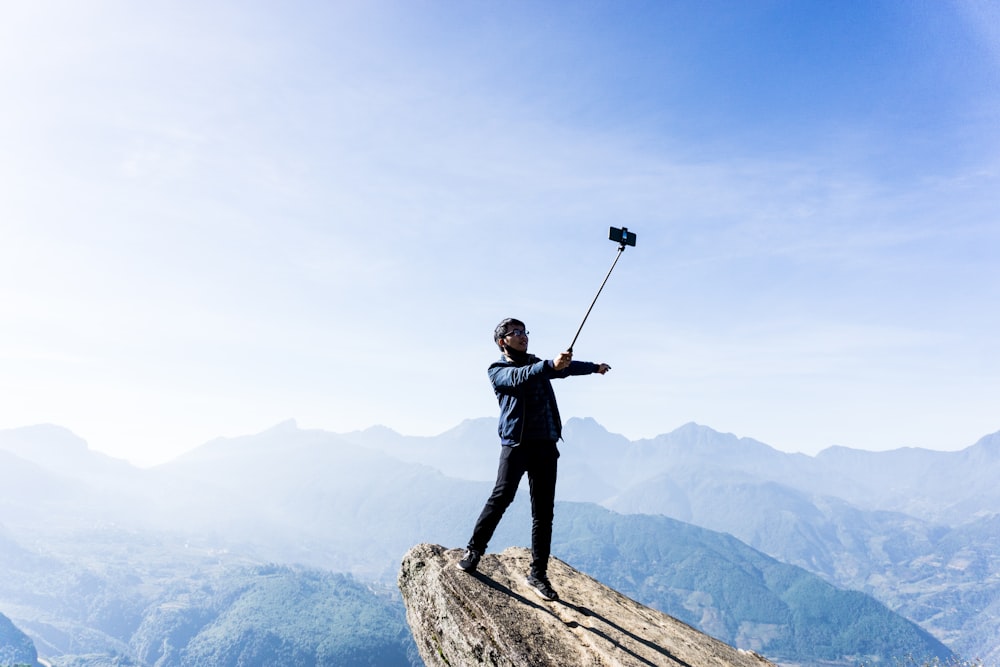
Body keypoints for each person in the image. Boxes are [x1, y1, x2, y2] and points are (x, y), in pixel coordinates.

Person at [457, 317, 610, 601]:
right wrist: (550, 365)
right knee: (501, 497)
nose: (522, 335)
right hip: (516, 445)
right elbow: (521, 377)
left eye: (524, 331)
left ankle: (538, 575)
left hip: (545, 446)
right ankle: (474, 550)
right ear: (503, 341)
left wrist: (592, 368)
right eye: (515, 333)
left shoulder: (538, 364)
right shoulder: (498, 370)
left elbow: (564, 370)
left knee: (543, 513)